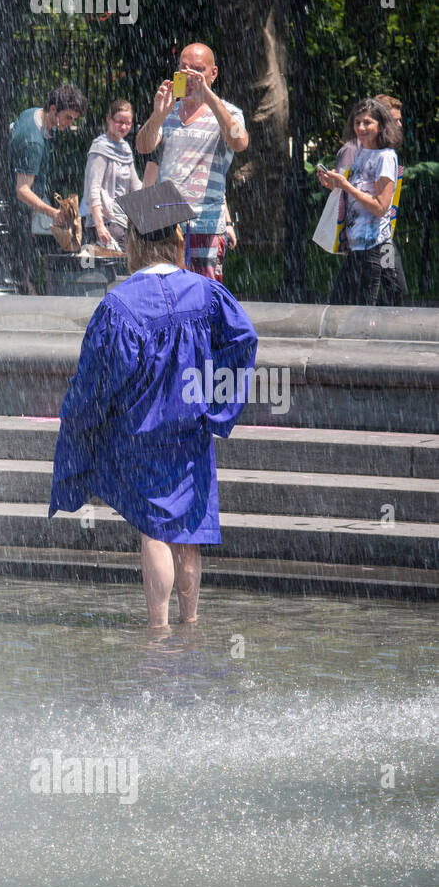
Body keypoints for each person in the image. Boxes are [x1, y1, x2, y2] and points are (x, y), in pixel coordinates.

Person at [48, 181, 258, 630]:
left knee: (156, 530)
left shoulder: (121, 304)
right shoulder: (205, 293)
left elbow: (98, 379)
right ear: (177, 240)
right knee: (189, 530)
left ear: (133, 242)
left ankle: (158, 629)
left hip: (141, 430)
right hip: (192, 429)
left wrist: (79, 417)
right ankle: (191, 622)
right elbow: (244, 339)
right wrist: (216, 406)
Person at [135, 42, 248, 282]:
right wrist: (157, 116)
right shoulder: (168, 112)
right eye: (184, 69)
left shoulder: (227, 113)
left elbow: (240, 143)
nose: (189, 76)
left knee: (204, 296)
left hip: (205, 226)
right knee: (167, 294)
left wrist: (207, 95)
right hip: (167, 227)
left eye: (197, 70)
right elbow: (143, 147)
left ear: (213, 73)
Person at [318, 98, 403, 307]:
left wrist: (346, 185)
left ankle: (386, 334)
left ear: (381, 125)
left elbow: (381, 207)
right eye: (357, 122)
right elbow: (357, 193)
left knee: (374, 303)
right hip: (362, 245)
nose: (361, 128)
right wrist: (334, 184)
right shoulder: (361, 153)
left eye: (367, 122)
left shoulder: (385, 156)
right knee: (394, 292)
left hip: (375, 246)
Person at [7, 83, 87, 292]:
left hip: (23, 208)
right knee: (20, 271)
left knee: (21, 267)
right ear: (53, 109)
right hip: (15, 211)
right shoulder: (33, 142)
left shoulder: (32, 113)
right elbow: (22, 190)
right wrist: (53, 213)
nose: (70, 124)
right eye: (68, 117)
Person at [81, 99, 141, 250]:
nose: (124, 127)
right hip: (104, 224)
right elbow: (92, 189)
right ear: (109, 119)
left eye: (128, 123)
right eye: (119, 122)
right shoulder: (100, 148)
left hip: (121, 222)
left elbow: (136, 187)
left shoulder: (125, 148)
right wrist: (100, 226)